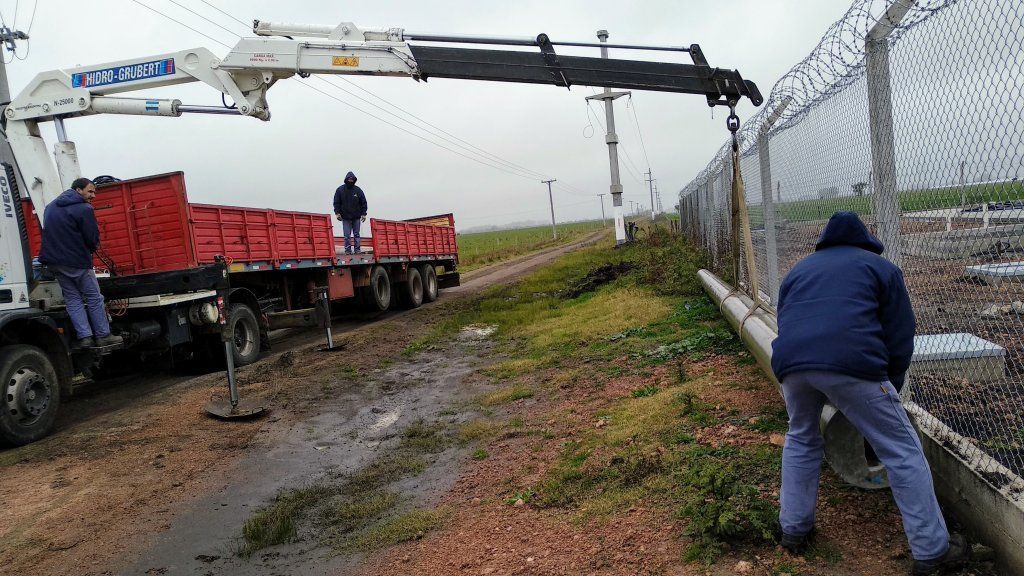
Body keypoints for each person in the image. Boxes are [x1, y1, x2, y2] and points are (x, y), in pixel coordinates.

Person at [771, 212, 966, 575]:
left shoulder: (798, 270)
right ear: (866, 241)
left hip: (791, 365)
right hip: (853, 364)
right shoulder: (881, 268)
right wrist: (890, 383)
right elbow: (899, 335)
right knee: (902, 449)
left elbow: (789, 322)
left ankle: (793, 530)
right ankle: (932, 551)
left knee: (801, 438)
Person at [38, 178, 122, 348]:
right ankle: (103, 335)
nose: (93, 195)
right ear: (78, 190)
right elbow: (91, 237)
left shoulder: (50, 207)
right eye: (90, 191)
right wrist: (91, 248)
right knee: (94, 297)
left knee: (72, 299)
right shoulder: (84, 208)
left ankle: (85, 338)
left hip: (54, 261)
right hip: (77, 261)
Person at [333, 171, 367, 254]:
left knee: (357, 234)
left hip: (356, 217)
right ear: (346, 179)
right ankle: (348, 250)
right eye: (349, 179)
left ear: (354, 180)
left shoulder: (358, 190)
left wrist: (364, 214)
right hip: (345, 217)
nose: (350, 180)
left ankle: (357, 250)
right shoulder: (340, 190)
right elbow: (336, 202)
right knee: (347, 236)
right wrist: (337, 213)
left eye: (352, 179)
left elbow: (363, 202)